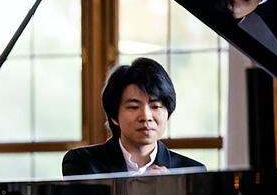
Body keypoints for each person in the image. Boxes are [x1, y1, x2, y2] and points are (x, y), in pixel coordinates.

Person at [62, 57, 204, 177]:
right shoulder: (82, 163)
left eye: (155, 106)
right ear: (114, 116)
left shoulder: (192, 171)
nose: (146, 116)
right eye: (133, 107)